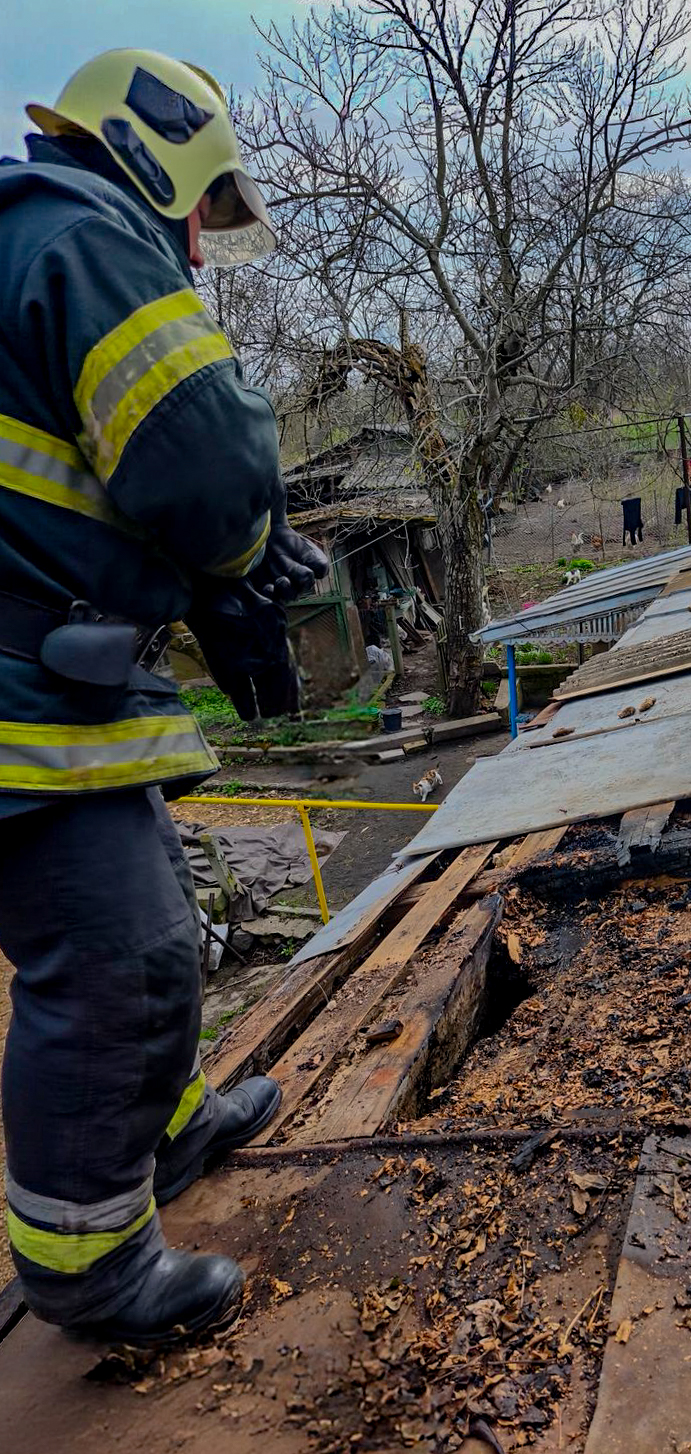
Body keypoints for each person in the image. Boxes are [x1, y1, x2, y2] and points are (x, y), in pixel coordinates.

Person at [0, 50, 329, 1346]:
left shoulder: (28, 242)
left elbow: (89, 487)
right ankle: (88, 1266)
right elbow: (203, 456)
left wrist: (209, 583)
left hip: (46, 678)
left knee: (155, 914)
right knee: (116, 961)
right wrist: (245, 563)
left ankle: (167, 1125)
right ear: (159, 156)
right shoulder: (86, 240)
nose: (198, 246)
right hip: (24, 687)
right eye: (203, 212)